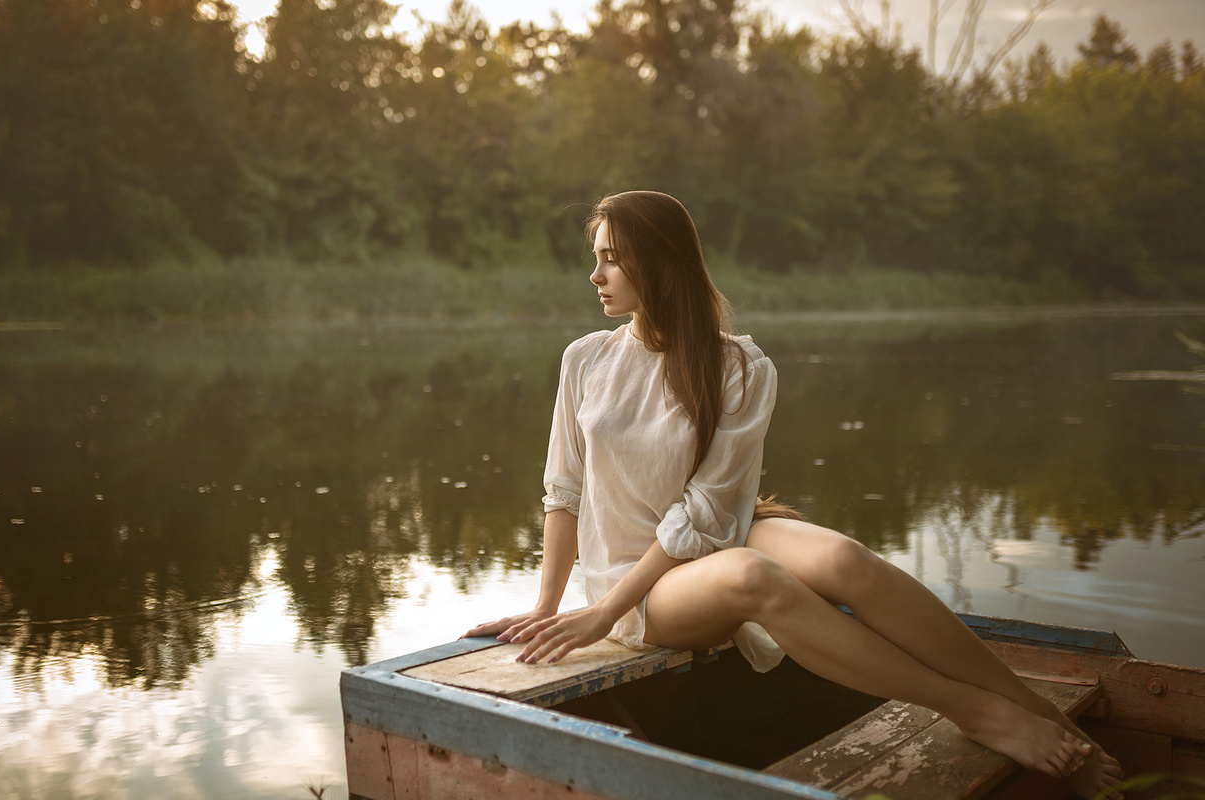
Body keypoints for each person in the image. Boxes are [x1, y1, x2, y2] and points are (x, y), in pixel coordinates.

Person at [464, 190, 1123, 798]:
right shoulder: (585, 360)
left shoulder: (739, 365)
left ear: (659, 264)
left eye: (612, 259)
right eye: (596, 258)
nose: (595, 275)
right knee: (757, 576)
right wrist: (563, 607)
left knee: (843, 560)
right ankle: (970, 707)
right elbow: (565, 491)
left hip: (710, 534)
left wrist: (607, 609)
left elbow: (706, 508)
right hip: (635, 585)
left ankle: (1037, 711)